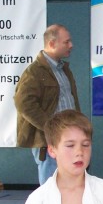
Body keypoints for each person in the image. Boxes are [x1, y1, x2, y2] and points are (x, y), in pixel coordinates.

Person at [14, 24, 80, 185]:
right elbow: (23, 103)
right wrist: (51, 127)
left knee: (71, 187)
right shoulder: (34, 72)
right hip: (49, 140)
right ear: (52, 43)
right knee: (52, 189)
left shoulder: (64, 70)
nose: (71, 45)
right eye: (66, 42)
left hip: (70, 137)